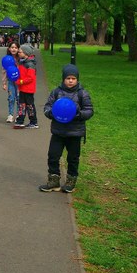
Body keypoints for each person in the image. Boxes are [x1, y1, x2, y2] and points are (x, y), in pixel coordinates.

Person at [39, 64, 94, 193]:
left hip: (74, 133)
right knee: (53, 156)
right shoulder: (56, 92)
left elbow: (89, 110)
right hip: (58, 132)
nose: (70, 81)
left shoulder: (82, 94)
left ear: (77, 80)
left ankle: (71, 180)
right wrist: (51, 113)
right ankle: (54, 181)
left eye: (73, 78)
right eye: (68, 78)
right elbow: (47, 107)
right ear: (63, 78)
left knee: (73, 158)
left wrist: (78, 114)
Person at [13, 44, 39, 129]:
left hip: (28, 89)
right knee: (21, 105)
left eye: (20, 52)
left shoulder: (30, 64)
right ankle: (20, 120)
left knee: (30, 106)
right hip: (22, 88)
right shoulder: (22, 62)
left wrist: (20, 81)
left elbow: (30, 78)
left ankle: (33, 122)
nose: (18, 53)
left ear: (26, 53)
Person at [1, 41, 21, 123]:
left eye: (16, 47)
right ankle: (10, 115)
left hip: (19, 81)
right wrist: (4, 83)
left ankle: (19, 115)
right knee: (11, 98)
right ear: (9, 49)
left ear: (18, 49)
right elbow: (4, 71)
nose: (14, 49)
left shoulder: (20, 58)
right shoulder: (6, 59)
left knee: (19, 98)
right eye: (12, 47)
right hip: (10, 81)